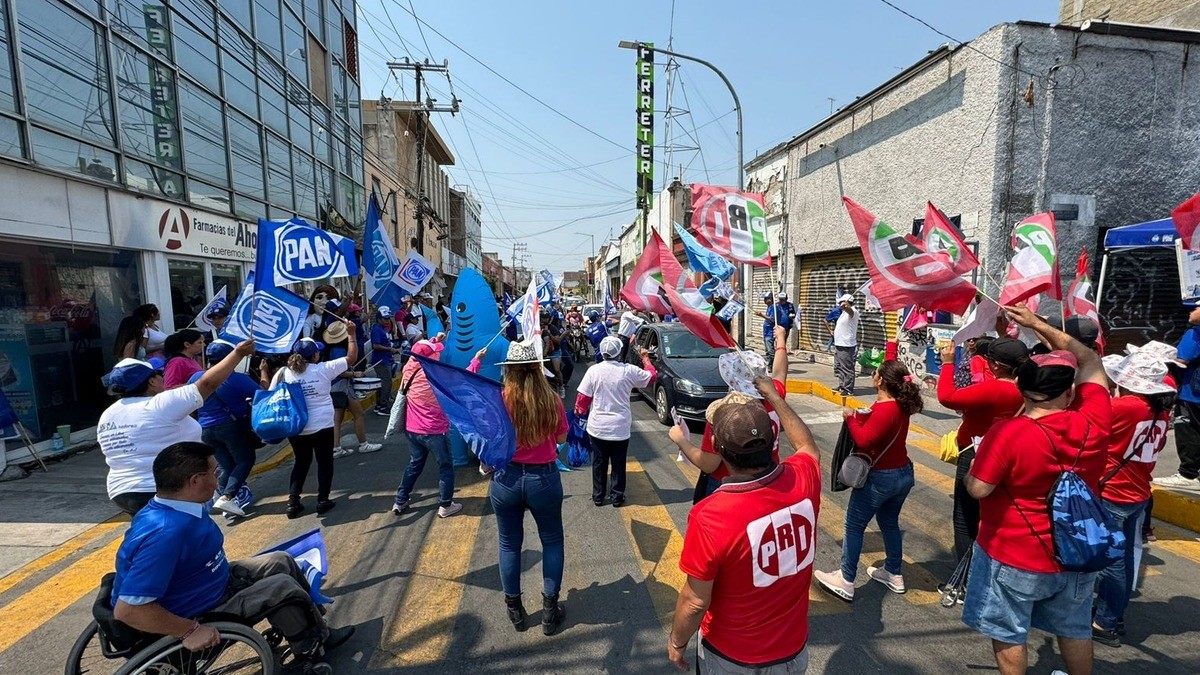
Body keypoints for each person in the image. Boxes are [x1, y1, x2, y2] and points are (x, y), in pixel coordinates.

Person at [962, 304, 1111, 675]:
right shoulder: (1094, 419)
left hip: (1015, 552)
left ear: (1021, 389)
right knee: (1075, 629)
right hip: (1077, 551)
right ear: (1070, 390)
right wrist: (1036, 324)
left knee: (1009, 632)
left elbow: (978, 489)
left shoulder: (1008, 433)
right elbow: (1090, 359)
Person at [110, 442, 353, 670]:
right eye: (214, 474)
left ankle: (318, 632)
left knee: (280, 559)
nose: (218, 482)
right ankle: (306, 653)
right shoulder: (166, 534)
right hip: (201, 608)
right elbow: (128, 610)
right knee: (281, 587)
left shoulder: (174, 505)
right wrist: (189, 630)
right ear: (194, 481)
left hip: (207, 581)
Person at [668, 377, 821, 673]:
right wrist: (775, 398)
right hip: (793, 652)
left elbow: (695, 601)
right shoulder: (804, 479)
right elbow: (806, 444)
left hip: (732, 656)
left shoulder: (710, 515)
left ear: (718, 447)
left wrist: (676, 643)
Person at [98, 339, 255, 515]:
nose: (162, 376)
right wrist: (238, 354)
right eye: (158, 373)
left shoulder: (108, 414)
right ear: (151, 382)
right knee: (198, 537)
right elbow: (206, 384)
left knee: (158, 538)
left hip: (122, 492)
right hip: (163, 489)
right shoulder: (160, 403)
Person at [814, 360, 923, 601]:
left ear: (881, 380)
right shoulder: (900, 404)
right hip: (903, 474)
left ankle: (846, 578)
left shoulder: (885, 409)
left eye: (875, 372)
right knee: (889, 522)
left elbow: (864, 440)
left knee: (854, 526)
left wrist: (850, 417)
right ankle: (893, 572)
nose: (872, 374)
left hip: (881, 477)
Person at [1091, 351, 1175, 648]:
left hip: (1113, 492)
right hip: (1137, 492)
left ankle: (1106, 621)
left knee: (1111, 562)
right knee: (1124, 559)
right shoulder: (1159, 412)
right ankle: (1114, 612)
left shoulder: (1125, 406)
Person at [490, 341, 569, 636]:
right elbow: (561, 439)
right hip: (544, 479)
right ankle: (550, 611)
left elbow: (491, 439)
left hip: (506, 479)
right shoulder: (552, 400)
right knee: (552, 541)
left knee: (509, 544)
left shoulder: (499, 400)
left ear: (508, 370)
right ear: (538, 368)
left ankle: (515, 611)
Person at [671, 326, 792, 501]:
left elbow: (709, 464)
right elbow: (781, 372)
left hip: (728, 484)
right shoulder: (774, 397)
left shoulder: (723, 414)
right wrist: (781, 340)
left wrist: (680, 440)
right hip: (768, 477)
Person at [937, 336, 1028, 564]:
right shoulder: (1026, 388)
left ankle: (964, 578)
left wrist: (948, 363)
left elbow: (947, 397)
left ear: (996, 365)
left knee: (965, 518)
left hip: (977, 454)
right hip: (1008, 452)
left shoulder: (996, 389)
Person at [276, 329, 357, 518]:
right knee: (324, 463)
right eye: (317, 351)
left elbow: (269, 390)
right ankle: (322, 500)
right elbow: (351, 358)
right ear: (314, 355)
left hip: (296, 427)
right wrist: (351, 334)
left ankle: (293, 502)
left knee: (301, 462)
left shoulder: (283, 373)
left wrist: (264, 372)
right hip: (322, 425)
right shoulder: (322, 369)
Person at [574, 335, 656, 507]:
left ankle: (598, 495)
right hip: (620, 427)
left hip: (597, 427)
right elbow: (651, 376)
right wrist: (645, 358)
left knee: (599, 462)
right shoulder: (628, 370)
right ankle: (617, 497)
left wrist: (579, 415)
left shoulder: (593, 370)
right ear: (619, 353)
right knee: (618, 462)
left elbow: (582, 400)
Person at [186, 339, 264, 518]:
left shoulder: (195, 377)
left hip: (205, 429)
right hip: (230, 427)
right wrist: (264, 374)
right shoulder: (237, 378)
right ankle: (227, 497)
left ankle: (216, 496)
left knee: (227, 465)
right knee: (245, 460)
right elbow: (262, 395)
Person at [391, 339, 462, 518]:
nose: (438, 354)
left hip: (412, 430)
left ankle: (400, 500)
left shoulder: (409, 367)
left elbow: (421, 351)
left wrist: (433, 342)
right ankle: (445, 505)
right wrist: (476, 361)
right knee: (445, 466)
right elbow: (462, 383)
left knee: (415, 464)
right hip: (434, 431)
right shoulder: (435, 375)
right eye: (435, 352)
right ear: (430, 356)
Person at [1154, 304, 1200, 491]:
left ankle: (1187, 474)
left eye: (1196, 307)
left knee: (1189, 431)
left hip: (1193, 394)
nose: (1191, 311)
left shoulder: (1195, 334)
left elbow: (1181, 360)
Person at [324, 321, 380, 459]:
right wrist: (355, 374)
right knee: (358, 414)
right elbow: (339, 372)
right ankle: (363, 444)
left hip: (335, 386)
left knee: (337, 419)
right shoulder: (340, 351)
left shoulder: (332, 350)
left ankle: (336, 448)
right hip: (343, 386)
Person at [370, 306, 401, 416]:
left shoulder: (382, 329)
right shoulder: (377, 330)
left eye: (388, 319)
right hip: (381, 361)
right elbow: (376, 346)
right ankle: (383, 406)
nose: (388, 321)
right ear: (379, 319)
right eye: (385, 319)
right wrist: (390, 349)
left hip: (386, 359)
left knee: (382, 383)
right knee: (386, 383)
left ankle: (379, 404)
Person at [831, 294, 859, 395]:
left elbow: (850, 311)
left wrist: (846, 308)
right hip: (839, 343)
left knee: (847, 367)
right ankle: (842, 385)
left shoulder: (853, 311)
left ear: (847, 302)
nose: (839, 304)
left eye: (841, 302)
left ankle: (848, 389)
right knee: (840, 366)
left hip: (846, 344)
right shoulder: (843, 313)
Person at [758, 293, 778, 361]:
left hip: (770, 333)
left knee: (770, 351)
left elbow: (772, 319)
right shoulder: (769, 307)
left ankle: (772, 365)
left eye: (766, 299)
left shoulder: (773, 307)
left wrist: (762, 315)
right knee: (767, 350)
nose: (765, 300)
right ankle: (768, 363)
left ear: (771, 299)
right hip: (766, 332)